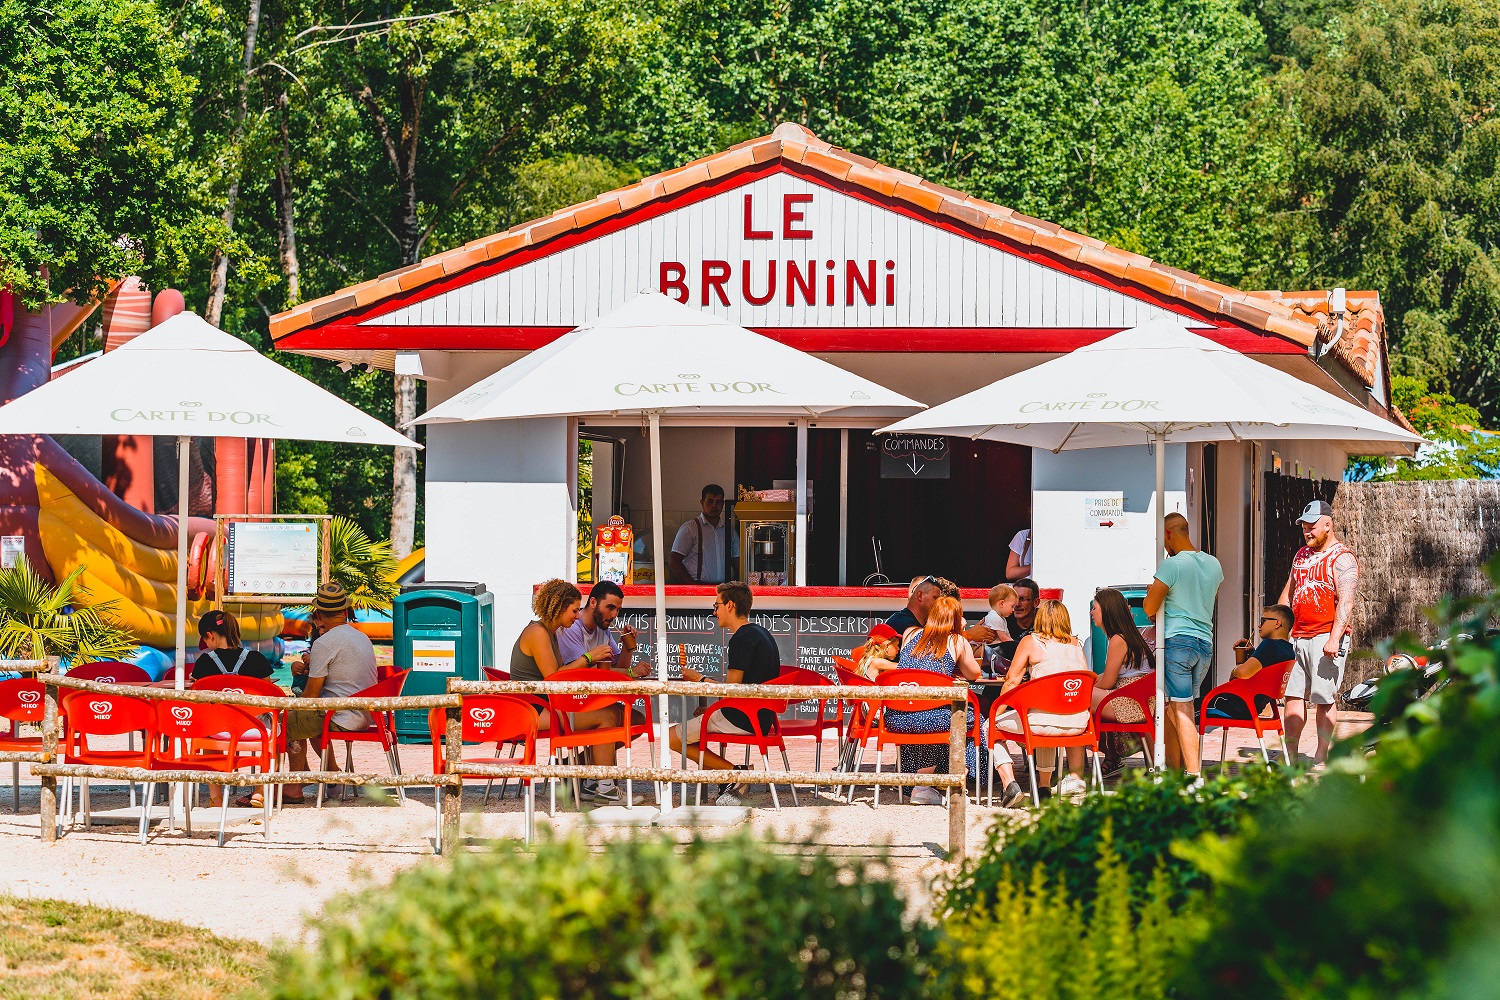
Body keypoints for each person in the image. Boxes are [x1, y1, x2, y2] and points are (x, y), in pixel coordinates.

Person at [513, 578, 641, 803]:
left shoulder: (550, 633)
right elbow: (554, 678)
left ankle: (591, 782)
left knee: (620, 715)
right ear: (559, 607)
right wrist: (590, 657)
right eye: (573, 610)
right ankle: (605, 788)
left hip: (547, 706)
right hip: (532, 710)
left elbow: (561, 672)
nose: (575, 615)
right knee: (609, 715)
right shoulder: (537, 632)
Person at [885, 597, 1019, 807]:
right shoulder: (956, 640)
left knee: (933, 718)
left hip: (897, 717)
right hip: (934, 718)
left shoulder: (910, 633)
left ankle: (921, 784)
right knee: (973, 720)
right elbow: (973, 674)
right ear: (957, 619)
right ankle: (955, 782)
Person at [667, 581, 782, 806]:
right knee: (697, 725)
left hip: (742, 717)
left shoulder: (741, 638)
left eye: (716, 605)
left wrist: (699, 679)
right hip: (761, 717)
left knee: (672, 738)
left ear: (729, 605)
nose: (714, 611)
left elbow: (731, 690)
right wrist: (711, 709)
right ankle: (727, 782)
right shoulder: (762, 633)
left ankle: (735, 773)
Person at [1277, 501, 1359, 765]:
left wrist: (1335, 638)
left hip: (1326, 637)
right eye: (1304, 527)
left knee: (1323, 698)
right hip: (1297, 636)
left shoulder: (1342, 558)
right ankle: (1290, 755)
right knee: (1292, 695)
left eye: (1312, 526)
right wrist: (1276, 629)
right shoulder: (1301, 555)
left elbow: (1346, 601)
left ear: (1328, 524)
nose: (1308, 532)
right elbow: (1289, 594)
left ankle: (1321, 754)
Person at [284, 582, 380, 804]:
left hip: (341, 716)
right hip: (364, 715)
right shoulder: (362, 637)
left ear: (318, 614)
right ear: (345, 611)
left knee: (287, 720)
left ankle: (295, 786)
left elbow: (310, 697)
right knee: (307, 718)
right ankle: (330, 774)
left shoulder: (325, 643)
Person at [1144, 513, 1224, 775]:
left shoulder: (1172, 565)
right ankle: (1174, 772)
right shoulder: (1213, 564)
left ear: (1168, 534)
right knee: (1175, 709)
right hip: (1205, 644)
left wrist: (1153, 590)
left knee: (1182, 710)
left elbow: (1149, 608)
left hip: (1178, 642)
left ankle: (1193, 777)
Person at [994, 599, 1090, 799]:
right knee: (1045, 714)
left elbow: (1012, 681)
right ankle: (1044, 786)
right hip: (1078, 724)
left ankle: (1010, 784)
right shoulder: (1076, 645)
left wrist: (995, 713)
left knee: (989, 728)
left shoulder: (1031, 641)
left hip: (1041, 723)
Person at [1089, 589, 1156, 774]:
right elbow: (1113, 675)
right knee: (1083, 691)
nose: (1091, 613)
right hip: (1139, 698)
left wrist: (1089, 685)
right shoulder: (1129, 634)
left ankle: (1075, 762)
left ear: (1107, 611)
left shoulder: (1118, 639)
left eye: (1095, 608)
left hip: (1130, 702)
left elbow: (1109, 682)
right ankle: (1110, 756)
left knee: (1076, 696)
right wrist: (1092, 680)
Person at [1205, 605, 1297, 722]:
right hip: (1253, 708)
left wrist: (1235, 670)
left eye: (1263, 621)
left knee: (1185, 710)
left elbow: (1243, 673)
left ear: (1277, 623)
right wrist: (1255, 653)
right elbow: (1266, 671)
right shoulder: (1288, 651)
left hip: (1231, 705)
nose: (1259, 625)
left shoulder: (1269, 645)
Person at [556, 580, 650, 679]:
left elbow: (619, 667)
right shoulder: (572, 627)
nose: (614, 615)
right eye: (610, 607)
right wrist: (631, 672)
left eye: (618, 610)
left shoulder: (602, 627)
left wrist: (627, 645)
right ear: (593, 602)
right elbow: (579, 673)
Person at [669, 484, 734, 584]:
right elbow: (674, 561)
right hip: (697, 586)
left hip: (723, 588)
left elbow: (738, 560)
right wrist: (692, 586)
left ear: (723, 504)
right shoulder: (690, 528)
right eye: (710, 501)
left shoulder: (729, 531)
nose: (714, 506)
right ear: (702, 502)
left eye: (718, 502)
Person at [191, 610, 274, 682]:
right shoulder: (257, 660)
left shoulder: (204, 662)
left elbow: (197, 692)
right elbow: (268, 692)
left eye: (205, 641)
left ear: (210, 635)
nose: (207, 645)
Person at [995, 578, 1039, 661]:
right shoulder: (1002, 620)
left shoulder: (1044, 621)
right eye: (1014, 599)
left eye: (1023, 599)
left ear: (1036, 602)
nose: (1017, 604)